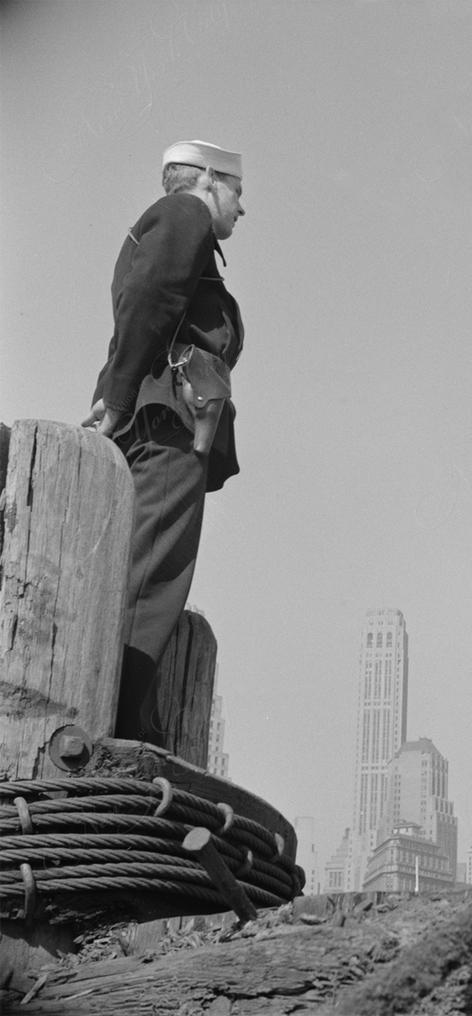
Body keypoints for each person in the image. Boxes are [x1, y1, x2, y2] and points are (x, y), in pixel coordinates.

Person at [83, 140, 246, 744]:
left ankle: (126, 716)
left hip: (156, 416)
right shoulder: (187, 214)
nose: (240, 209)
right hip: (166, 423)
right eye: (237, 191)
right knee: (151, 581)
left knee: (139, 574)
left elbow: (142, 303)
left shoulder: (175, 224)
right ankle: (118, 725)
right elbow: (150, 298)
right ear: (206, 179)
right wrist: (122, 398)